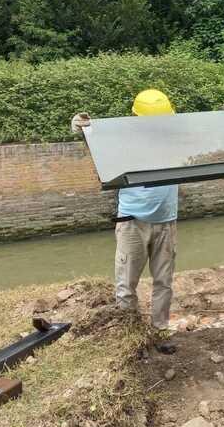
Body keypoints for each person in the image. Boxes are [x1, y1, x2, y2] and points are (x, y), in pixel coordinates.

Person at [71, 89, 180, 352]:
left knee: (164, 282)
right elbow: (96, 144)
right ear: (138, 119)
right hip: (133, 222)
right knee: (126, 284)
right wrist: (80, 127)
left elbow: (207, 135)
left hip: (167, 221)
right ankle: (131, 338)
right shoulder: (123, 139)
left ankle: (159, 332)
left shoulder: (176, 137)